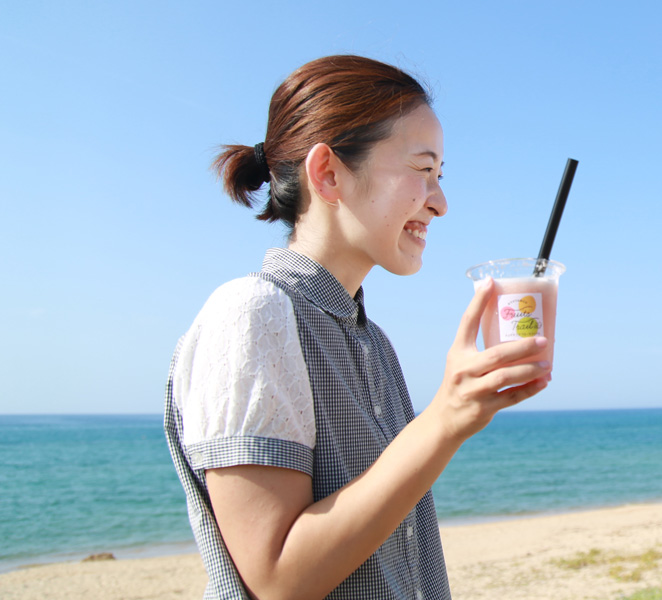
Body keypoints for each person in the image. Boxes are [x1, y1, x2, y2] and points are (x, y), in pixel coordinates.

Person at [164, 55, 552, 600]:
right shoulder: (253, 315)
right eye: (422, 170)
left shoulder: (373, 341)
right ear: (328, 174)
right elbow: (277, 579)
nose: (440, 203)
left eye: (440, 177)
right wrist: (445, 420)